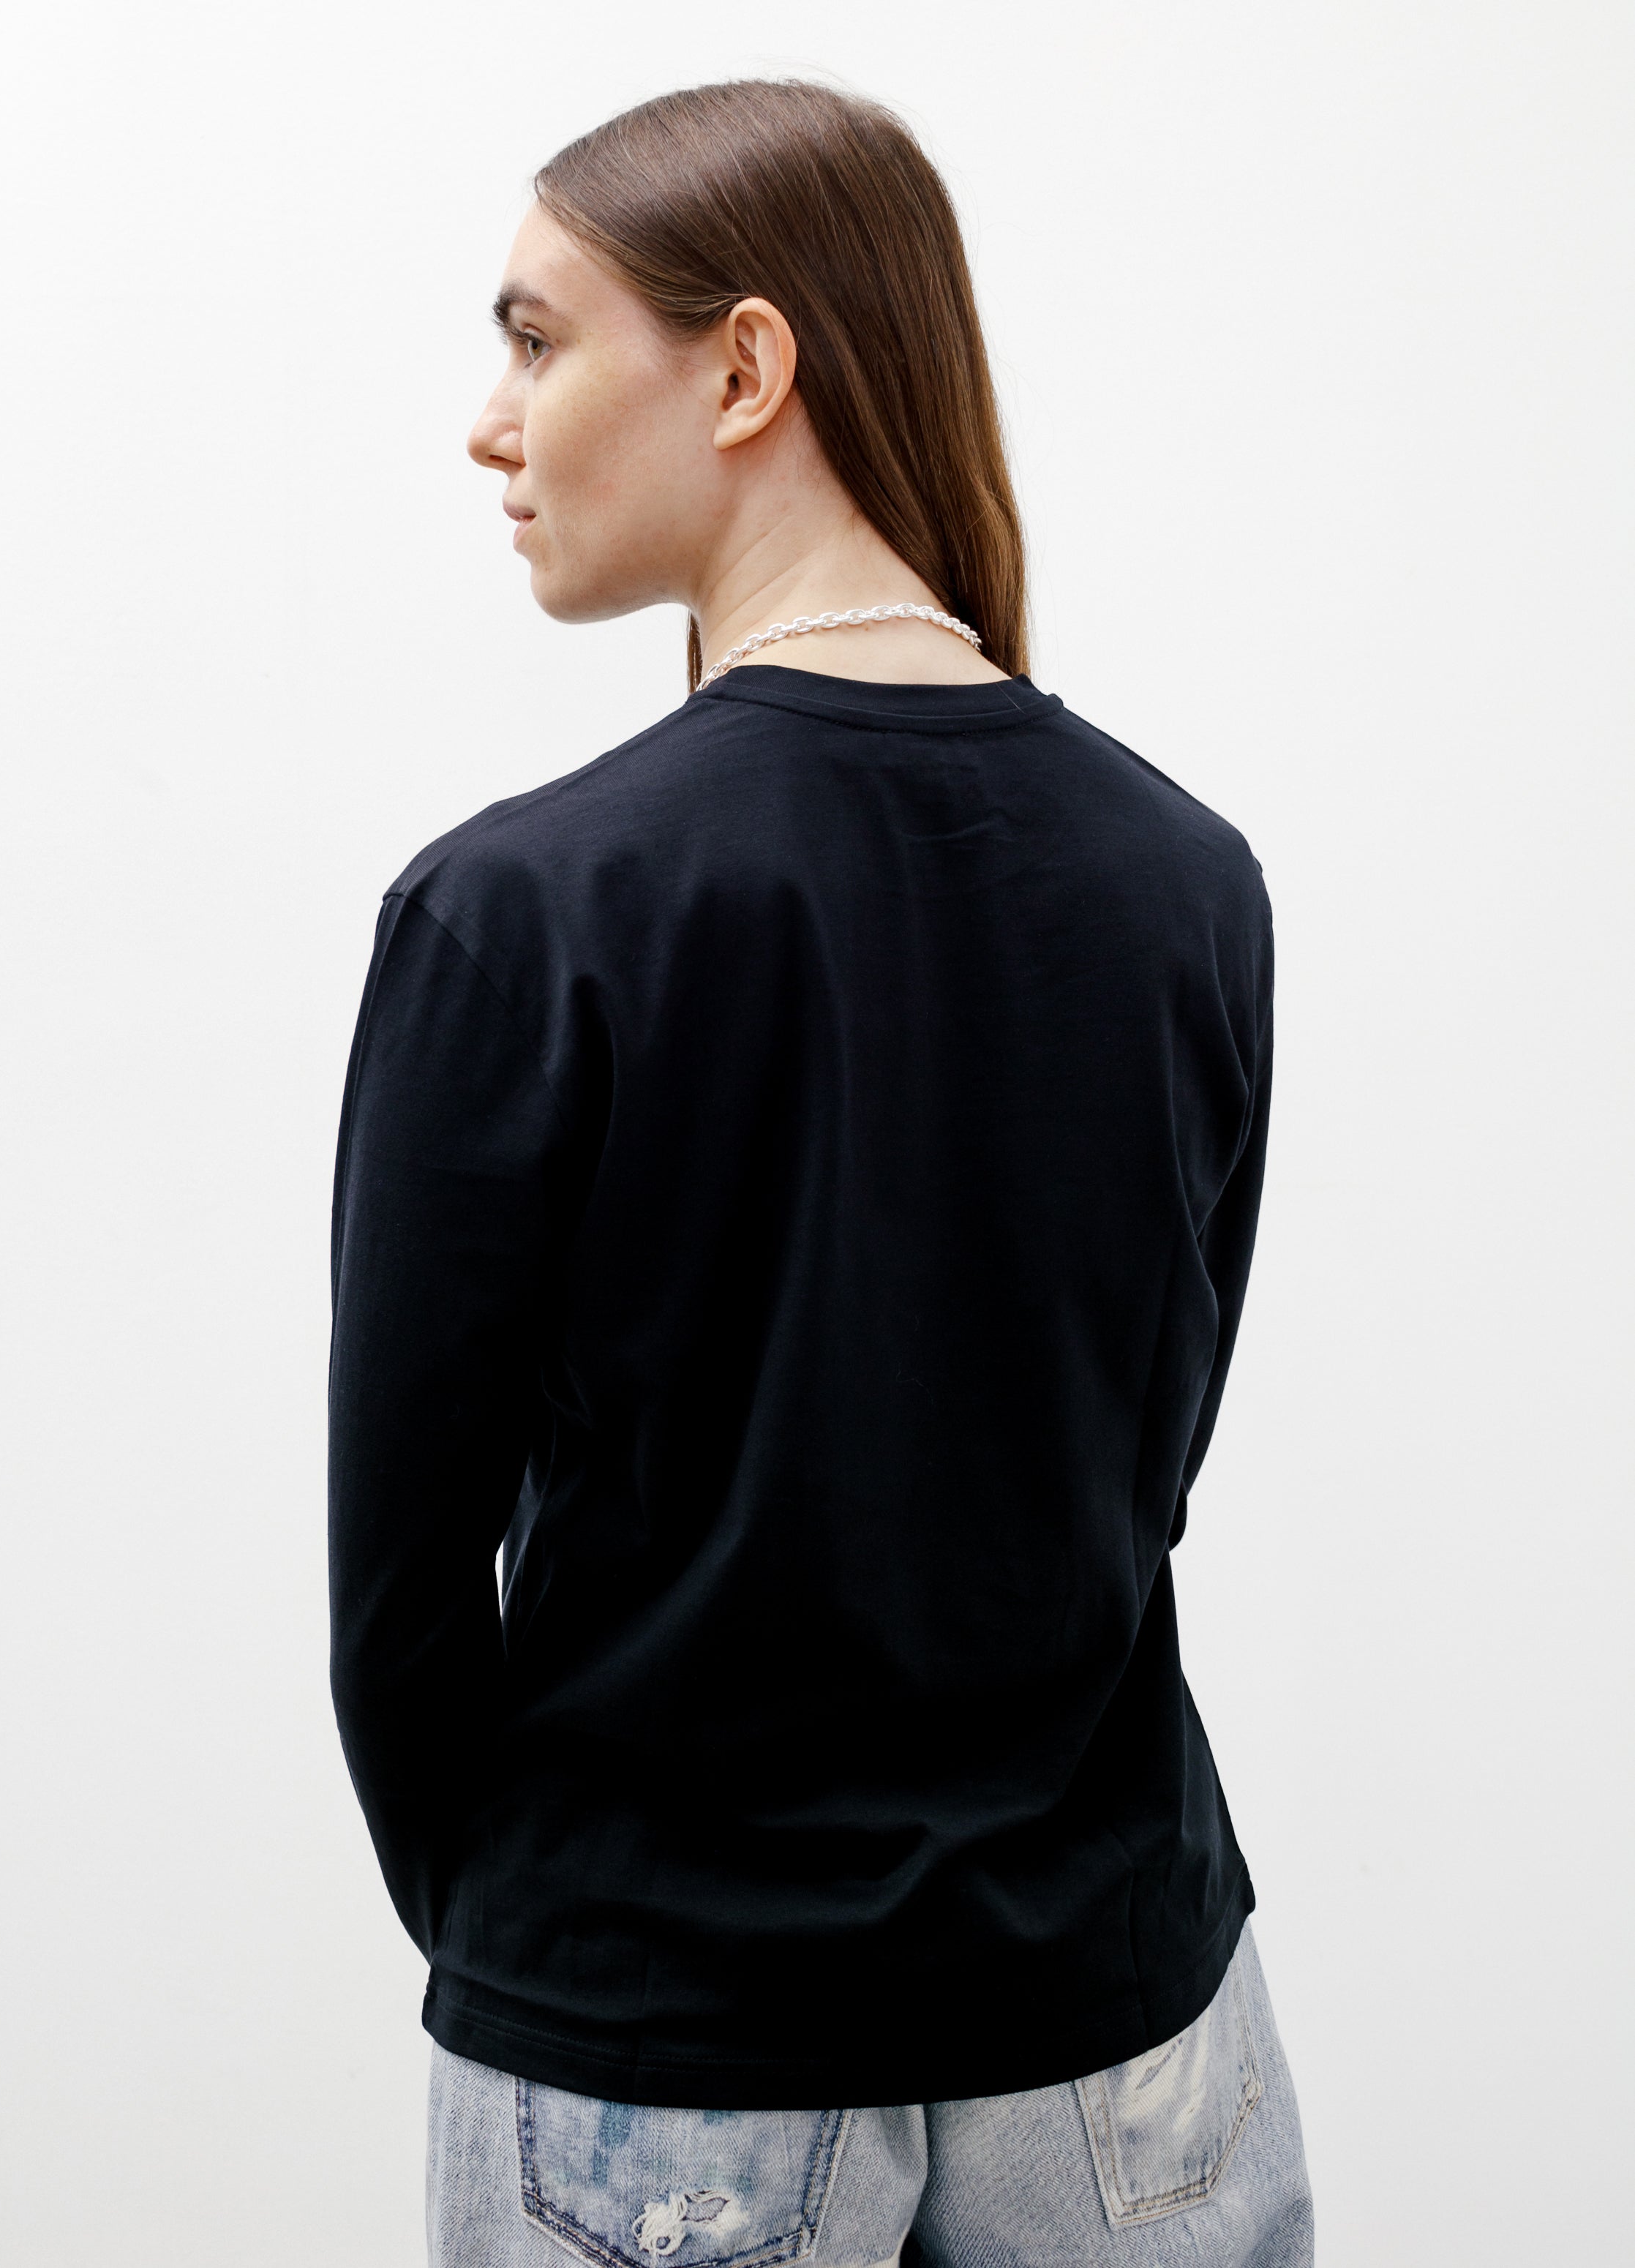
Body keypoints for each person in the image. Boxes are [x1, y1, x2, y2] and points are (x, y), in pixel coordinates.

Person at [328, 78, 1314, 2268]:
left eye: (535, 339)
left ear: (748, 368)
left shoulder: (520, 910)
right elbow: (1134, 1470)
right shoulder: (1189, 882)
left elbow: (401, 1597)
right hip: (1127, 2022)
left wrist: (548, 1945)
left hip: (665, 2028)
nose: (491, 425)